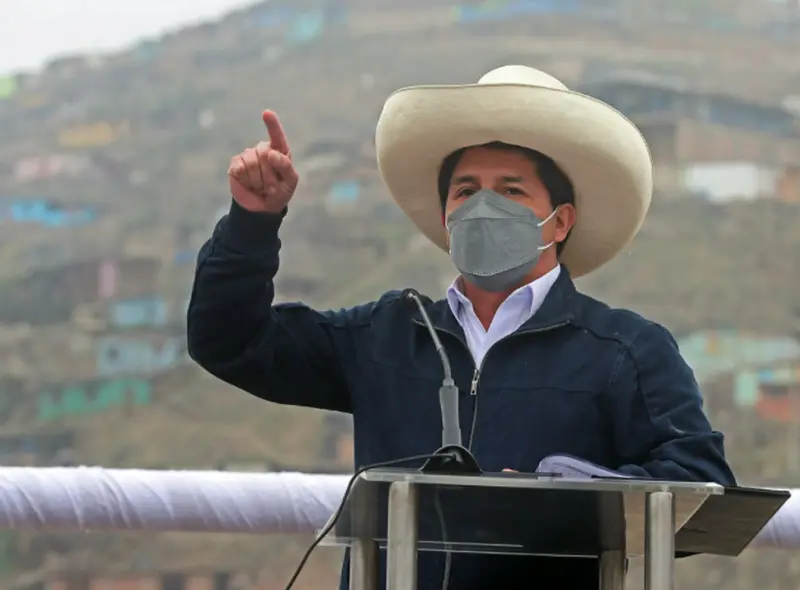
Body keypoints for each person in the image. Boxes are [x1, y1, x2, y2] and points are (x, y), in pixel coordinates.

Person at [187, 65, 736, 590]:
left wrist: (563, 494)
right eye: (466, 190)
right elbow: (231, 341)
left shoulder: (625, 351)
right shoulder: (390, 333)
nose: (484, 206)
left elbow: (701, 485)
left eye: (512, 190)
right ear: (447, 215)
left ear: (561, 220)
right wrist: (252, 223)